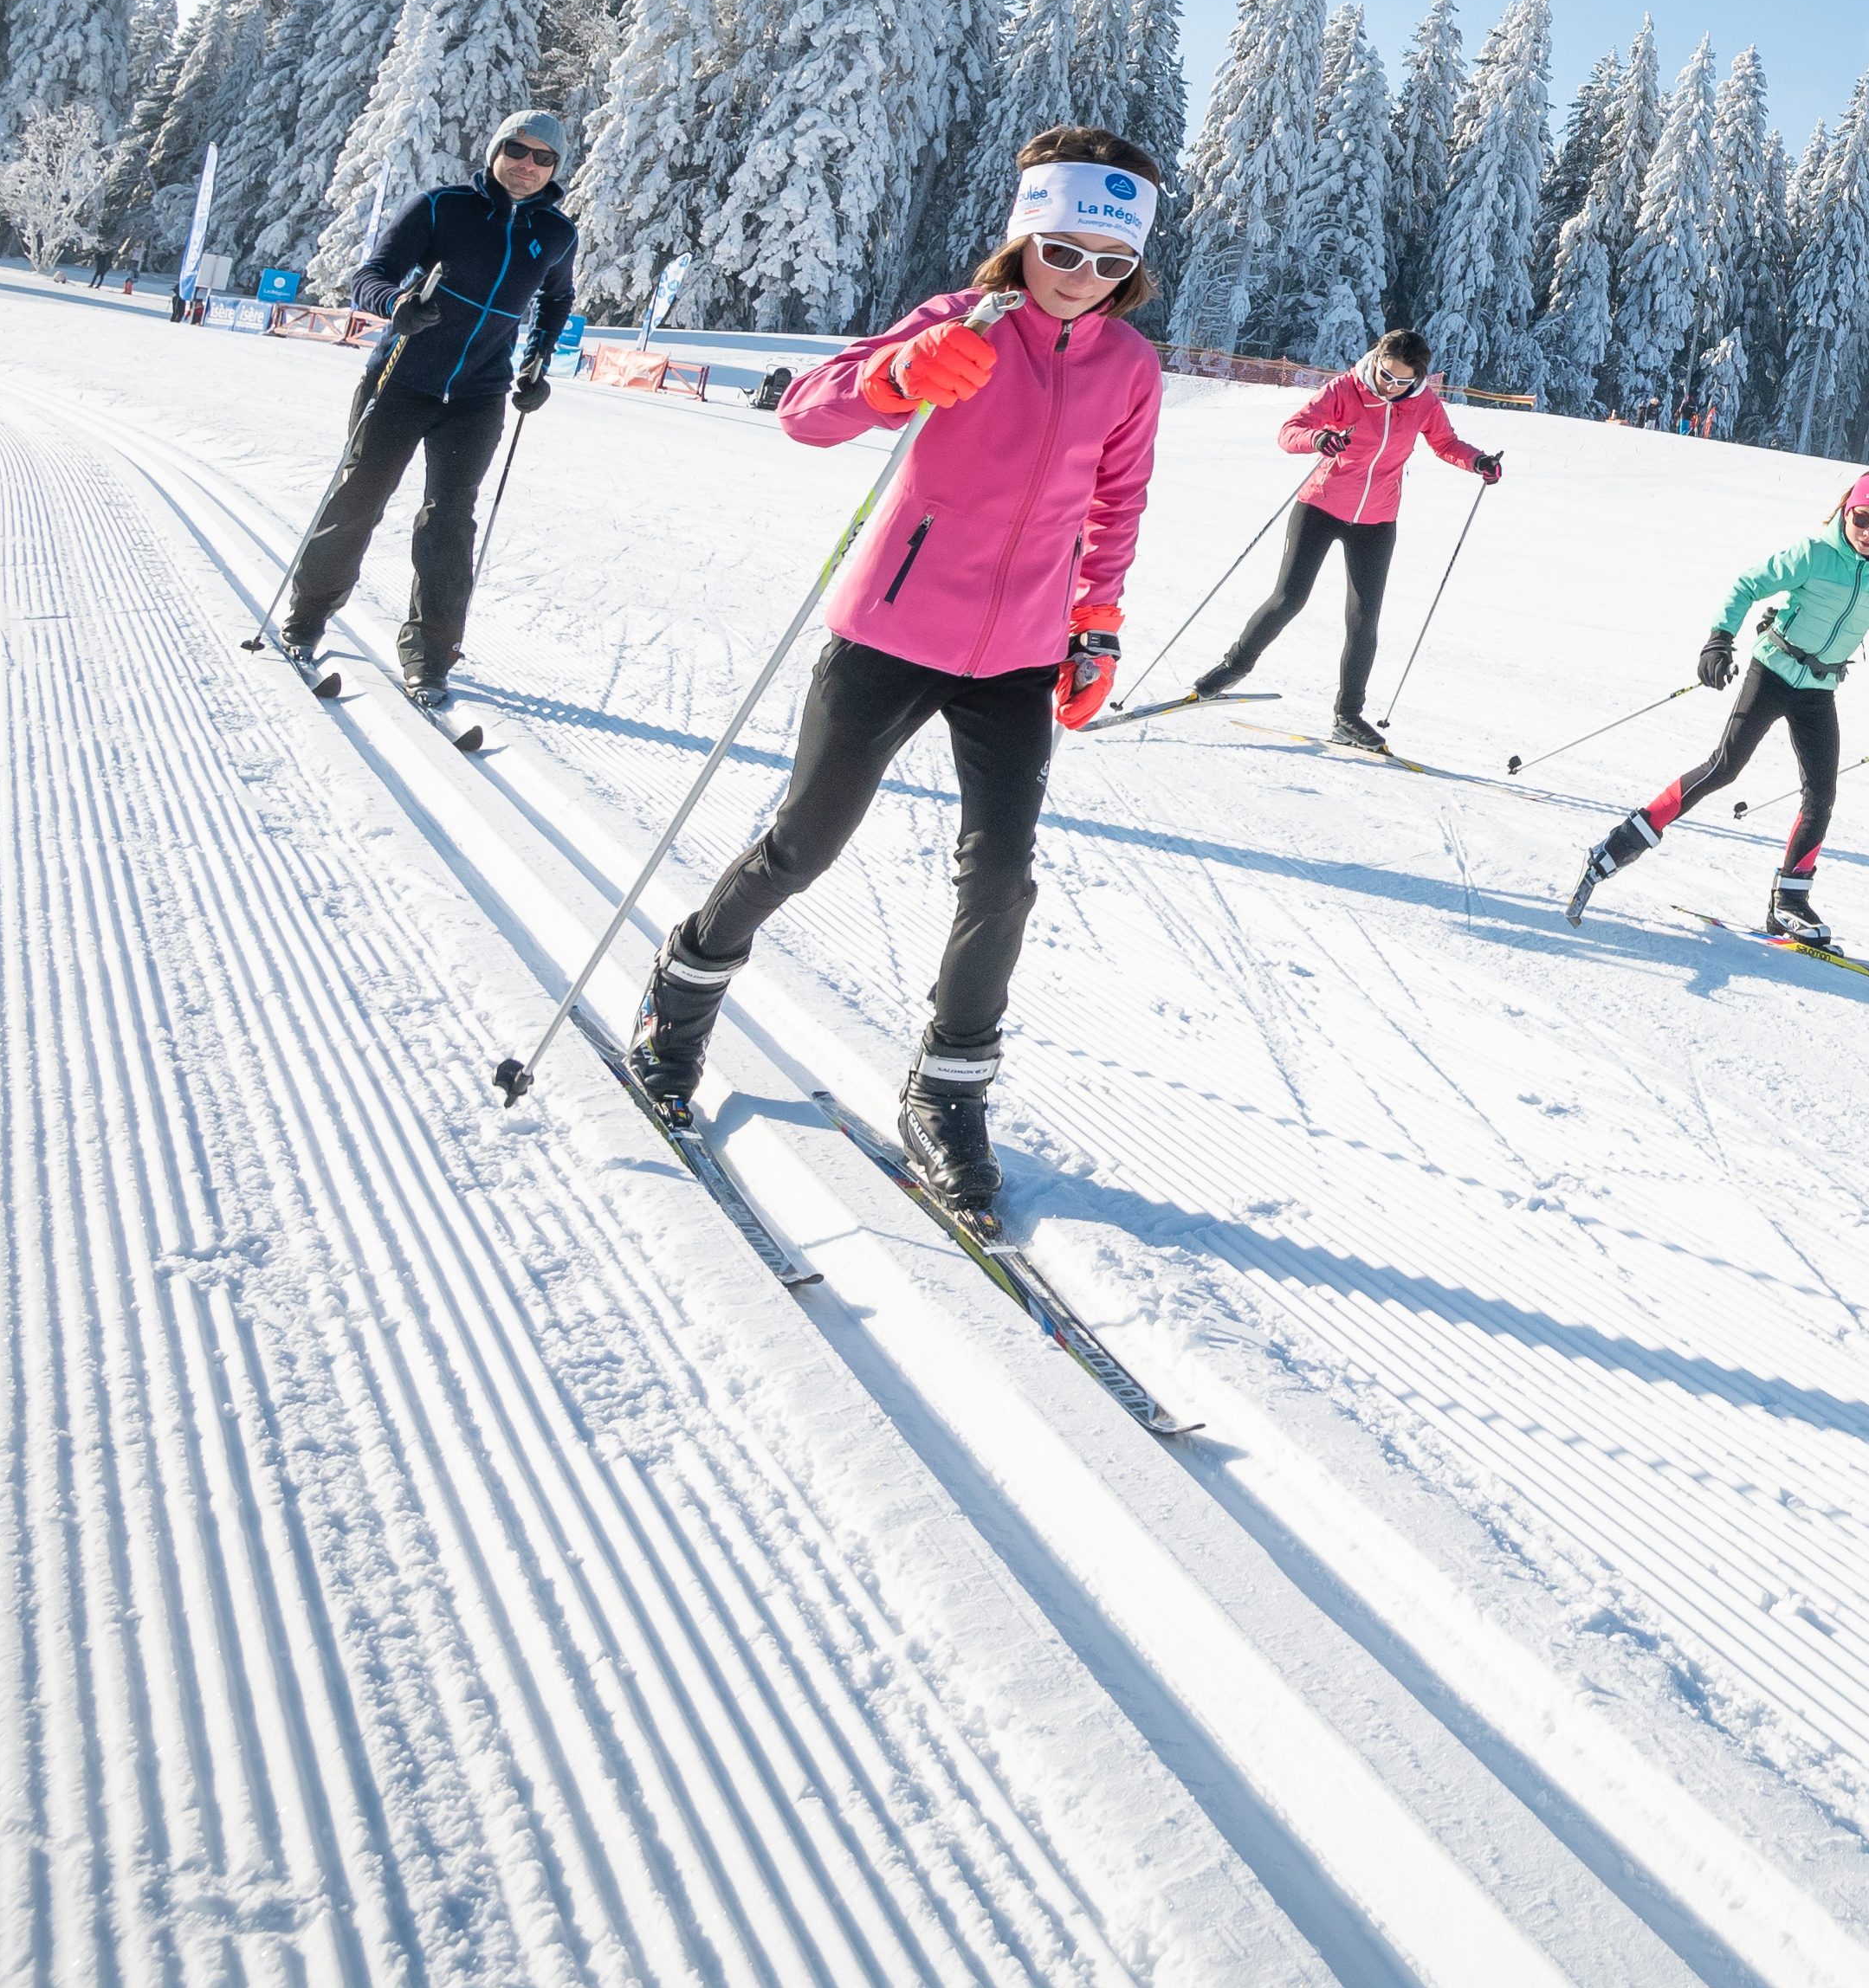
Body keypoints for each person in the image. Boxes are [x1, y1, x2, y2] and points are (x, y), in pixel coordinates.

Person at [626, 128, 1167, 1229]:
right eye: (1064, 252)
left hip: (1017, 653)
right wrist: (896, 376)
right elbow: (807, 411)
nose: (1085, 282)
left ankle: (949, 1089)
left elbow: (1119, 501)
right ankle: (685, 986)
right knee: (804, 845)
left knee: (1001, 877)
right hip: (891, 629)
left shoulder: (1131, 367)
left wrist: (1096, 622)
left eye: (1113, 266)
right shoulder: (955, 324)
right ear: (1022, 241)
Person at [270, 106, 579, 698]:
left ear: (555, 170)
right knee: (359, 499)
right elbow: (371, 276)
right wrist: (397, 306)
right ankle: (307, 618)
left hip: (479, 394)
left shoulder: (557, 234)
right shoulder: (441, 206)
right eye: (518, 150)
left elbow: (557, 300)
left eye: (544, 159)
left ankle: (429, 657)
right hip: (400, 381)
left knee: (449, 523)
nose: (528, 166)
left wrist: (539, 363)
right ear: (495, 150)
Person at [1565, 470, 1869, 942]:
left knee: (1822, 793)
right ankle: (1618, 844)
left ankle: (1789, 902)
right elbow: (1748, 584)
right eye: (1861, 518)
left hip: (1818, 690)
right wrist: (1718, 641)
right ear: (1846, 510)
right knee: (1724, 768)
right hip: (1772, 673)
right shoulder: (1814, 554)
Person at [1180, 326, 1503, 749]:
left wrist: (1476, 461)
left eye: (1402, 381)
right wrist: (1319, 438)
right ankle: (1230, 669)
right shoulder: (1345, 389)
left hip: (1377, 520)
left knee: (1364, 619)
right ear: (1376, 360)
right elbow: (1290, 430)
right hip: (1320, 507)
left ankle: (1348, 716)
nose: (1389, 386)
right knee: (1289, 599)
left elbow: (1445, 443)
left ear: (1418, 378)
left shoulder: (1424, 402)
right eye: (1385, 375)